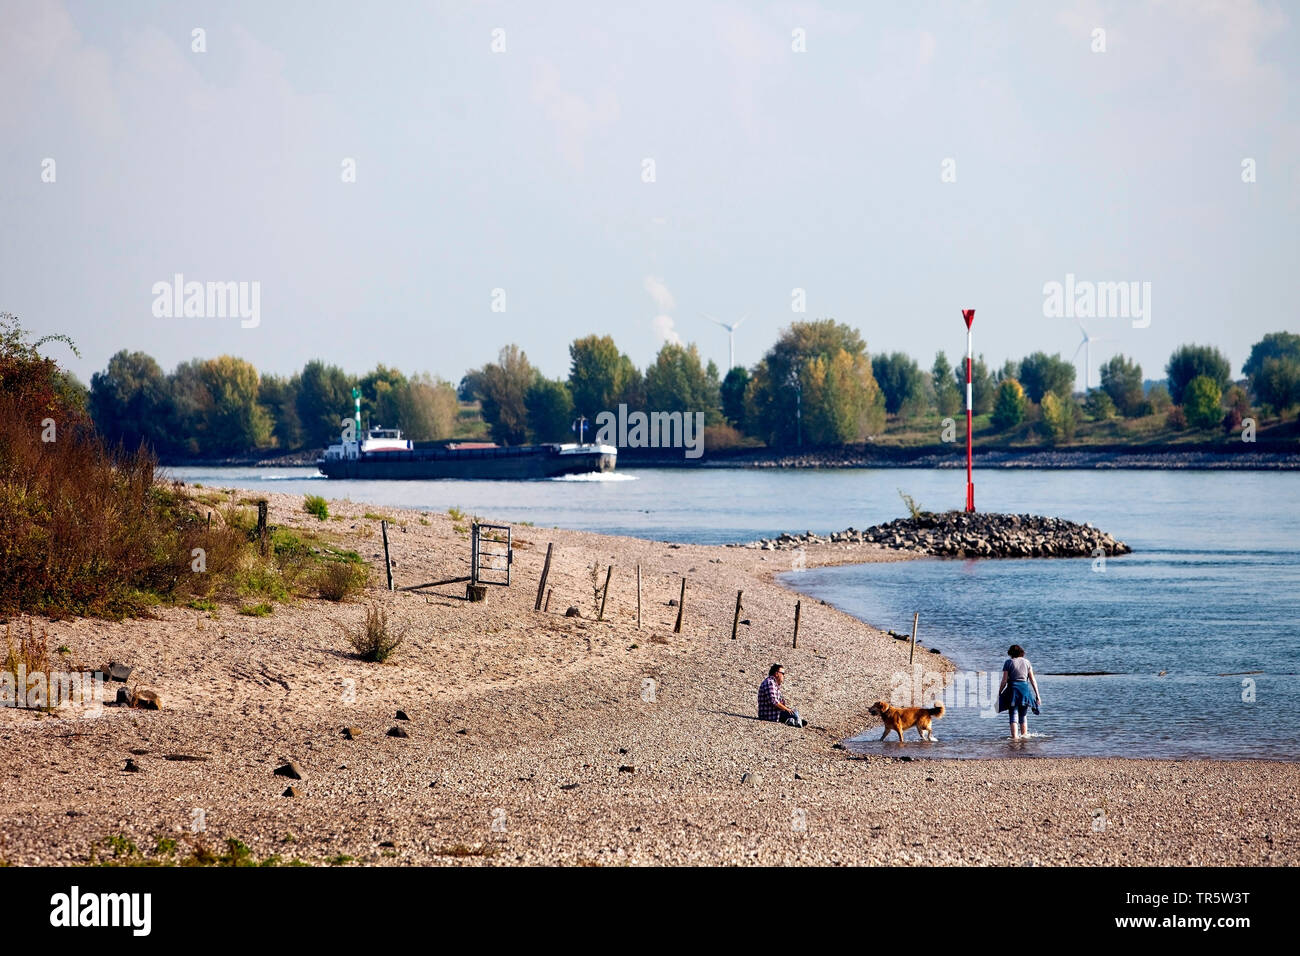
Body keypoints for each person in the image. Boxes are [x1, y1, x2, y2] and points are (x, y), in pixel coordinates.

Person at [998, 644, 1041, 739]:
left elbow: (1004, 681)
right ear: (1021, 652)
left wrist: (999, 692)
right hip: (1024, 690)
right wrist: (1037, 695)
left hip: (1013, 690)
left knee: (1013, 713)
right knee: (1023, 714)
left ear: (1010, 653)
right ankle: (1024, 737)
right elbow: (1033, 680)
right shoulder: (1027, 662)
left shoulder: (1008, 663)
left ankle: (1015, 738)